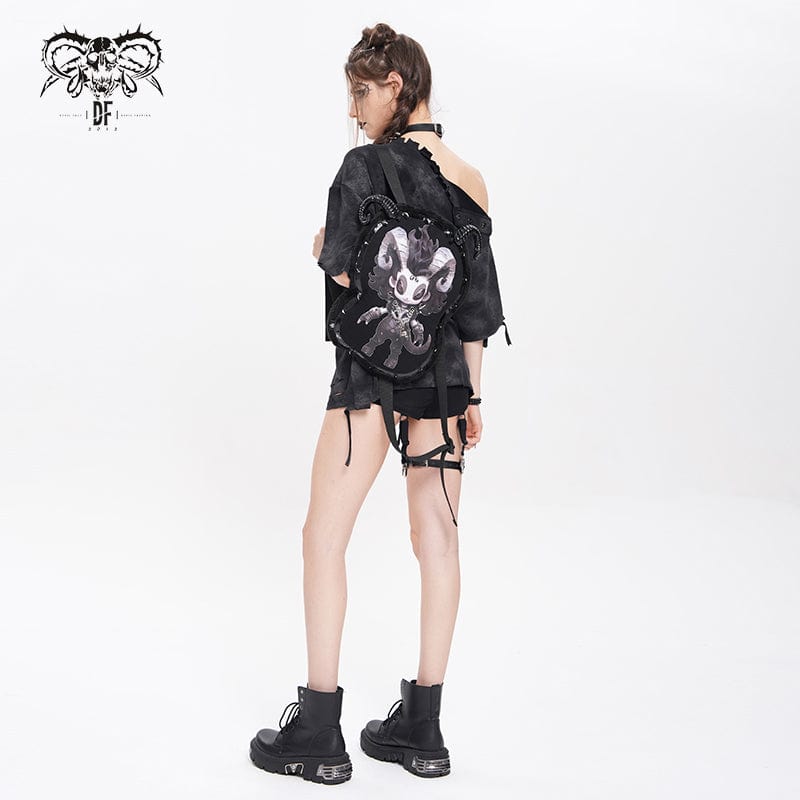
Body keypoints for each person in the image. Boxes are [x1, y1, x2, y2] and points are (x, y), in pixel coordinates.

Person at [249, 22, 509, 785]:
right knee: (440, 542)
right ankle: (422, 732)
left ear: (396, 86)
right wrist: (474, 396)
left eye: (360, 93)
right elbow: (476, 308)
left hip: (370, 378)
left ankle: (318, 731)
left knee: (322, 538)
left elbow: (344, 274)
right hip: (443, 386)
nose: (354, 110)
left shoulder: (363, 167)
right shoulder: (472, 180)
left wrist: (323, 250)